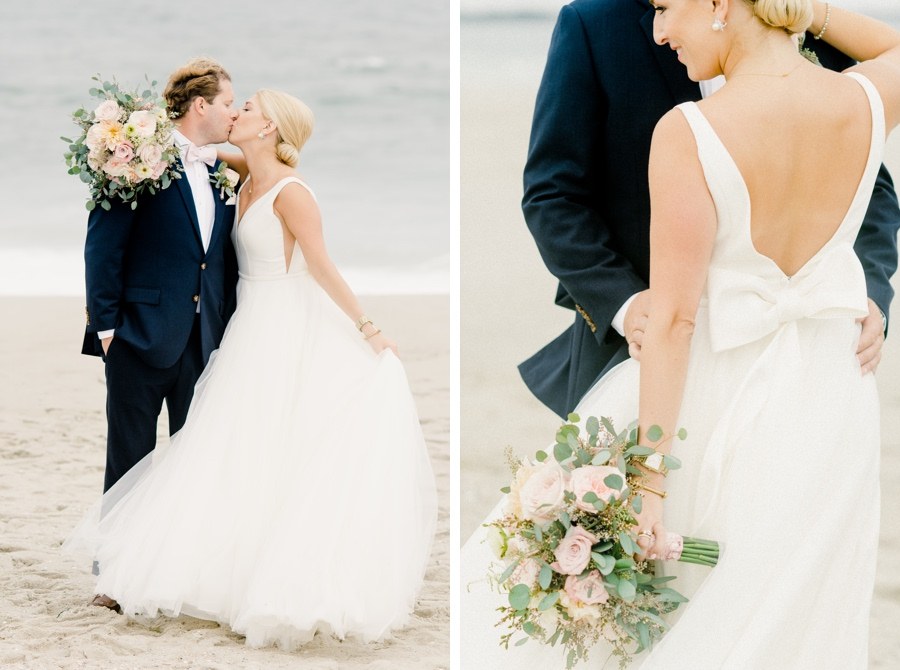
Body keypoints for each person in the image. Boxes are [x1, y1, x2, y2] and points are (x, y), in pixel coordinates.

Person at [462, 1, 900, 667]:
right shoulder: (864, 99)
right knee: (795, 603)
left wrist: (647, 483)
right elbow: (555, 194)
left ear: (721, 5)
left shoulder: (689, 130)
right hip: (831, 392)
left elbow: (675, 321)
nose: (659, 28)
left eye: (667, 7)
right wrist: (798, 11)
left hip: (706, 382)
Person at [66, 89, 437, 648]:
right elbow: (195, 151)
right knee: (230, 450)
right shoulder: (240, 176)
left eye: (249, 109)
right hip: (243, 327)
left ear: (269, 128)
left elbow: (322, 266)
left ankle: (273, 577)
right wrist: (142, 137)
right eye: (233, 103)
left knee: (266, 447)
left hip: (284, 322)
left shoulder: (293, 192)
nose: (237, 113)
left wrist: (368, 327)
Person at [517, 0, 899, 420]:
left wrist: (871, 293)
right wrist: (626, 304)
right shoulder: (595, 24)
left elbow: (870, 182)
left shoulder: (811, 32)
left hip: (813, 355)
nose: (660, 31)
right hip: (642, 348)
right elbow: (553, 195)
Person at [82, 58, 239, 605]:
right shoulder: (137, 158)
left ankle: (181, 571)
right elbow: (104, 245)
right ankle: (113, 577)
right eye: (227, 103)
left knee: (196, 461)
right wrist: (107, 328)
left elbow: (218, 263)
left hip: (204, 340)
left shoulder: (219, 172)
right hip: (138, 336)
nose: (233, 113)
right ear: (200, 105)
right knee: (130, 457)